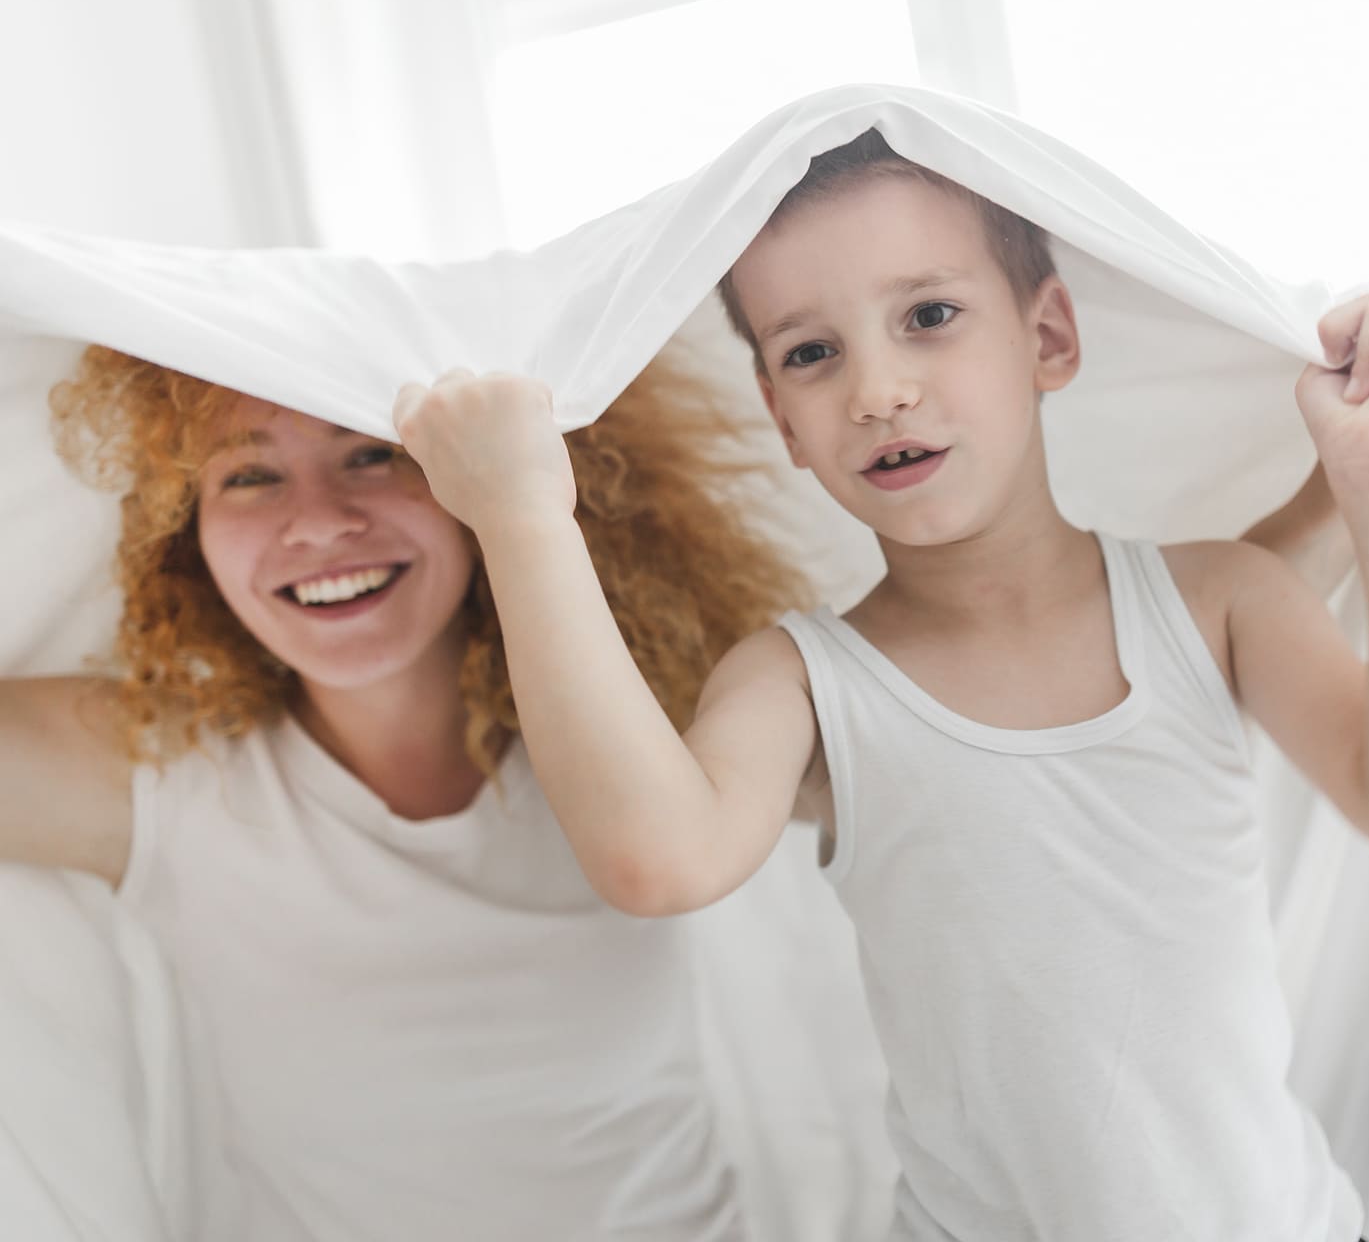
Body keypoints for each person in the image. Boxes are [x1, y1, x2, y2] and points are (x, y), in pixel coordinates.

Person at [394, 131, 1369, 1241]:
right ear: (781, 419)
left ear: (1050, 337)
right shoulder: (804, 683)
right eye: (811, 352)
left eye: (928, 316)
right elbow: (661, 856)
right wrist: (522, 517)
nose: (878, 390)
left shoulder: (1219, 599)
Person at [2, 343, 802, 1241]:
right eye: (250, 476)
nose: (318, 523)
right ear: (182, 533)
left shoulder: (629, 733)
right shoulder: (170, 773)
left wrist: (528, 521)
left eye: (372, 454)